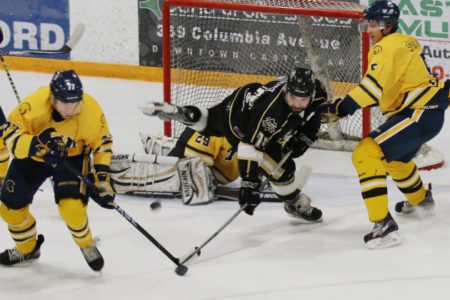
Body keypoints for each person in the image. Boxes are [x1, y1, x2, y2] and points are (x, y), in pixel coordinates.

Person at [319, 0, 450, 249]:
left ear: (386, 25)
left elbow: (371, 88)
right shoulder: (403, 42)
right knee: (394, 161)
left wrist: (340, 109)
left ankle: (384, 225)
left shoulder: (385, 47)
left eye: (372, 24)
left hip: (418, 114)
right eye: (366, 24)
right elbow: (388, 91)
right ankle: (421, 199)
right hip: (425, 115)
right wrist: (345, 107)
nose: (368, 30)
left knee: (366, 153)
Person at [142, 67, 326, 221]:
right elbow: (248, 147)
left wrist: (307, 135)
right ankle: (294, 204)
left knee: (209, 119)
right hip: (241, 124)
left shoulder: (317, 93)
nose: (298, 104)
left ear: (311, 94)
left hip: (241, 98)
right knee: (283, 170)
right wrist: (248, 184)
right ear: (287, 89)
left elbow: (318, 113)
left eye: (303, 100)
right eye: (294, 98)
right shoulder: (271, 114)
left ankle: (186, 113)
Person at [0, 70, 115, 271]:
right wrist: (36, 144)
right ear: (52, 97)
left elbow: (102, 145)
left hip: (72, 157)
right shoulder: (33, 106)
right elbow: (10, 137)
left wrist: (102, 180)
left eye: (75, 102)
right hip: (33, 157)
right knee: (9, 208)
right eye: (64, 102)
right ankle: (28, 249)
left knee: (73, 209)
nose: (70, 108)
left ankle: (86, 244)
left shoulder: (91, 111)